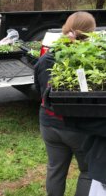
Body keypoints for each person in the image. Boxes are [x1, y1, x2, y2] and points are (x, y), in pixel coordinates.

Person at [34, 11, 95, 196]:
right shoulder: (89, 60)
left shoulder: (46, 58)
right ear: (90, 33)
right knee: (88, 171)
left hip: (49, 123)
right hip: (78, 127)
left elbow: (39, 90)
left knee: (55, 168)